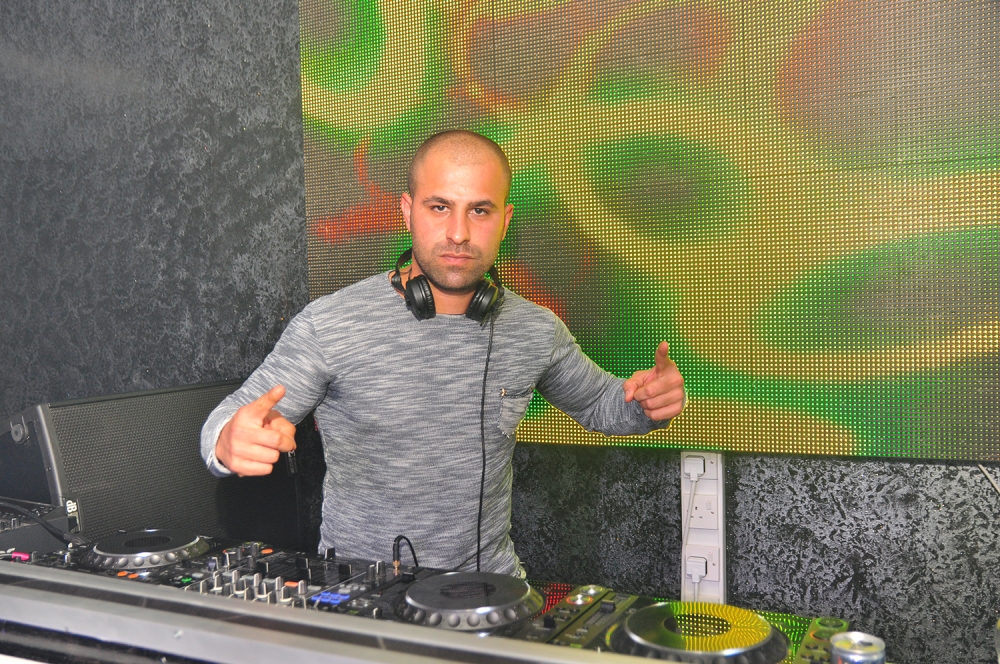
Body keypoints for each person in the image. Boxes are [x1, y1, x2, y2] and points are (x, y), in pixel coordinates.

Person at [201, 130, 685, 576]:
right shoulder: (330, 325)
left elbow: (602, 404)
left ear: (504, 220)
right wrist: (227, 441)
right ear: (407, 211)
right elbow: (227, 421)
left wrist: (647, 404)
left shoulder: (535, 329)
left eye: (479, 211)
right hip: (365, 593)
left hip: (490, 593)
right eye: (439, 207)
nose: (458, 233)